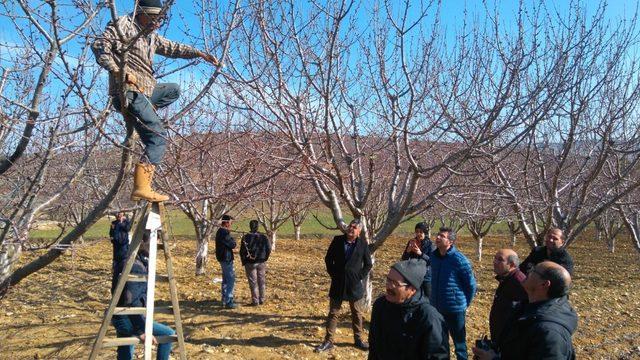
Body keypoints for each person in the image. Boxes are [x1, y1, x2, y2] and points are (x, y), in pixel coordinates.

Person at [92, 0, 221, 202]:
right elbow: (100, 45)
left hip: (145, 91)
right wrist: (119, 71)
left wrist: (200, 53)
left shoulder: (150, 35)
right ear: (141, 13)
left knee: (173, 90)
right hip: (129, 92)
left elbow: (173, 48)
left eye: (160, 19)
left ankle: (145, 112)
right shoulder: (124, 25)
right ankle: (142, 187)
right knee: (158, 136)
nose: (157, 23)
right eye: (154, 18)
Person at [472, 261, 577, 360]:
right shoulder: (528, 306)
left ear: (544, 284)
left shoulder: (549, 333)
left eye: (533, 270)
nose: (527, 271)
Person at [111, 232, 175, 360]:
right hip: (127, 318)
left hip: (119, 315)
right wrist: (141, 331)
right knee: (168, 334)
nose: (158, 245)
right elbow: (131, 301)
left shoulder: (129, 259)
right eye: (156, 241)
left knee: (125, 348)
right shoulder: (136, 266)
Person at [369, 259, 449, 360]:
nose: (389, 286)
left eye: (395, 283)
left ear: (412, 289)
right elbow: (374, 345)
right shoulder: (380, 306)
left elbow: (437, 356)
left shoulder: (429, 318)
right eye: (388, 280)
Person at [315, 219, 373, 353]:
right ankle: (328, 341)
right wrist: (333, 274)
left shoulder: (363, 244)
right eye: (350, 226)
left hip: (354, 284)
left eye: (354, 227)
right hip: (338, 283)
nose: (351, 228)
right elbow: (328, 259)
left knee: (357, 313)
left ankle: (358, 340)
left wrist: (359, 276)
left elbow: (368, 264)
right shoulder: (337, 240)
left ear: (359, 231)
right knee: (333, 313)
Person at [430, 227, 476, 360]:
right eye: (437, 235)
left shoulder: (459, 260)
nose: (438, 238)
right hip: (436, 307)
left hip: (455, 309)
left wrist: (463, 303)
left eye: (442, 236)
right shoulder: (434, 257)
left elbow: (471, 285)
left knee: (459, 343)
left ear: (450, 241)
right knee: (440, 341)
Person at [489, 249, 527, 343]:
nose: (494, 262)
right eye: (495, 258)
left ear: (512, 265)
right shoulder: (506, 279)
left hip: (510, 339)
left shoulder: (519, 282)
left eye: (500, 259)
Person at [240, 220, 271, 306]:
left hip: (250, 263)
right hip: (261, 261)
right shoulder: (263, 237)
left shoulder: (245, 237)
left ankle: (255, 300)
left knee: (253, 282)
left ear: (250, 227)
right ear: (258, 227)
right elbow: (269, 248)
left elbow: (242, 251)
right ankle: (262, 299)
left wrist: (244, 261)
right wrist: (265, 258)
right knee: (261, 280)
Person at [401, 221, 435, 298]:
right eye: (416, 232)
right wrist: (408, 251)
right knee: (413, 297)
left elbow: (432, 261)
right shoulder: (412, 242)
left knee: (427, 297)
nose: (418, 234)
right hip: (414, 275)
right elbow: (404, 259)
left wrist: (421, 253)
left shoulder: (430, 244)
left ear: (425, 233)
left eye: (421, 232)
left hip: (425, 276)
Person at [215, 214, 237, 309]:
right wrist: (233, 240)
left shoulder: (220, 231)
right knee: (231, 279)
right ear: (227, 222)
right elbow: (232, 244)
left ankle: (224, 298)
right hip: (226, 258)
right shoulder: (224, 233)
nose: (231, 224)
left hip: (222, 257)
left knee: (225, 279)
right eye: (230, 222)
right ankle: (229, 300)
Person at [110, 212, 132, 293]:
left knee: (124, 261)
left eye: (121, 214)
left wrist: (121, 223)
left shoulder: (126, 223)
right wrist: (113, 240)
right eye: (118, 214)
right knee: (116, 260)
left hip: (124, 246)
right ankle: (115, 273)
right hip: (116, 246)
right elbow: (111, 233)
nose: (119, 215)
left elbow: (127, 229)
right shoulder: (113, 223)